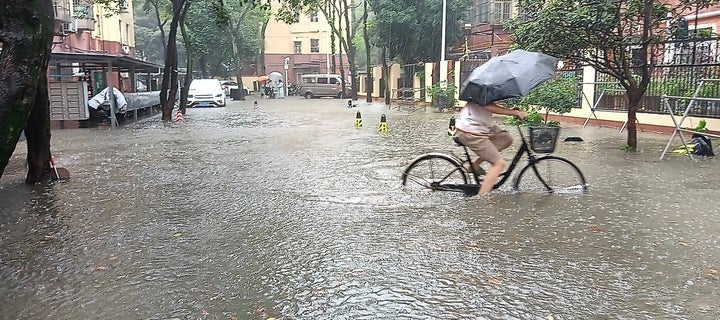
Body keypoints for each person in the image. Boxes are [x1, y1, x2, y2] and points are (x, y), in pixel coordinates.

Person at [454, 101, 526, 196]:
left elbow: (490, 105)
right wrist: (514, 113)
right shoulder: (482, 91)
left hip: (481, 127)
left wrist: (510, 111)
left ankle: (474, 166)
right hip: (471, 131)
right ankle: (482, 199)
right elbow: (488, 106)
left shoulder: (484, 91)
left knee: (506, 138)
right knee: (499, 164)